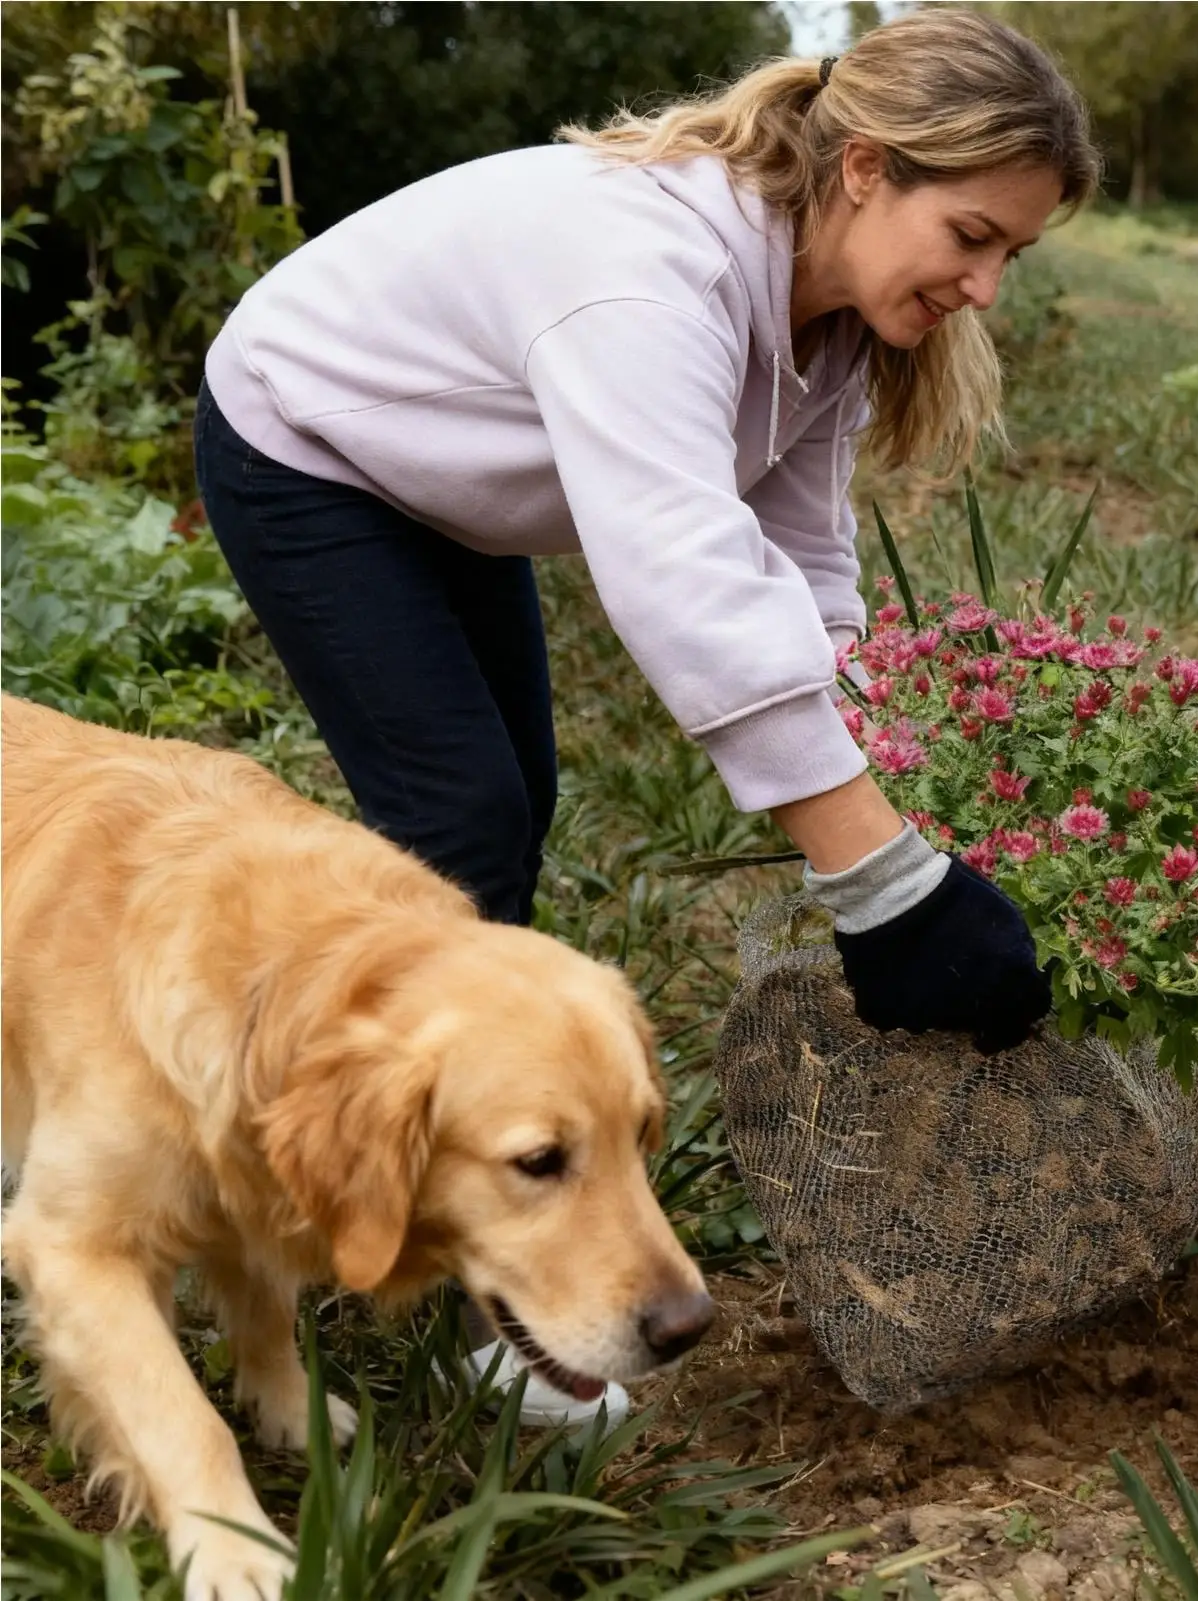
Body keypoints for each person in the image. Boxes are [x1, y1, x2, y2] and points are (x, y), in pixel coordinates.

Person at [194, 9, 1100, 1425]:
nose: (985, 284)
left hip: (441, 484)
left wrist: (875, 756)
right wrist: (879, 881)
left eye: (1012, 255)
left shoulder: (828, 320)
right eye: (972, 235)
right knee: (460, 818)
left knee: (510, 807)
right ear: (864, 169)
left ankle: (445, 1148)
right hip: (309, 440)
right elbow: (685, 579)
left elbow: (797, 558)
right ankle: (460, 1270)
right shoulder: (647, 278)